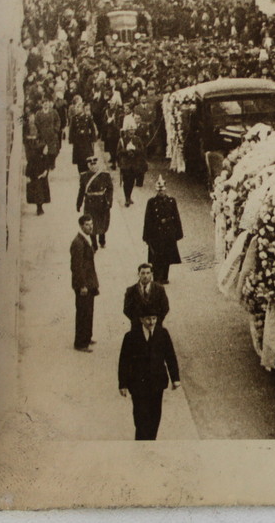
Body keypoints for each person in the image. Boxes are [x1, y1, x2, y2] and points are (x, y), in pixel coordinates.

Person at [117, 307, 181, 441]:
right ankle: (141, 445)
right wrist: (122, 384)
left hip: (157, 384)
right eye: (148, 319)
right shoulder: (131, 336)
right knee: (140, 418)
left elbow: (170, 356)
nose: (151, 322)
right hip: (137, 384)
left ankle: (151, 442)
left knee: (155, 417)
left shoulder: (163, 333)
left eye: (154, 318)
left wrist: (175, 378)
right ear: (141, 319)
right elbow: (124, 361)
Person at [143, 175, 184, 284]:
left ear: (165, 190)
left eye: (163, 190)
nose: (161, 192)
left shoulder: (171, 201)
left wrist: (178, 233)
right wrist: (146, 236)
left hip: (168, 233)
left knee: (167, 256)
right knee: (156, 256)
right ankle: (157, 277)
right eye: (159, 191)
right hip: (156, 233)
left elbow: (176, 216)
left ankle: (165, 276)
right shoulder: (151, 202)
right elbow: (147, 219)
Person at [70, 215, 99, 353]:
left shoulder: (85, 238)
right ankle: (80, 343)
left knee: (88, 311)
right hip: (84, 285)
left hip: (89, 283)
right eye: (88, 225)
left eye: (91, 224)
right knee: (83, 312)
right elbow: (77, 267)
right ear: (81, 226)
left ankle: (87, 337)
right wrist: (82, 285)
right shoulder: (78, 243)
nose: (91, 227)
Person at [76, 156, 113, 250]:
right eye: (91, 165)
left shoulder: (105, 175)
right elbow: (81, 191)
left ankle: (102, 239)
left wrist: (109, 201)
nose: (93, 167)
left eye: (95, 164)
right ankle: (94, 244)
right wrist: (78, 204)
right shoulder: (84, 176)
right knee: (90, 223)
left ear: (98, 164)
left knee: (102, 222)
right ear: (88, 166)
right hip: (90, 203)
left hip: (102, 202)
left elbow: (110, 189)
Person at [124, 263, 170, 330]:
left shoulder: (159, 289)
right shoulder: (131, 290)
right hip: (137, 327)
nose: (145, 276)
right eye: (143, 273)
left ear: (151, 274)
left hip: (155, 326)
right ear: (138, 274)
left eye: (148, 273)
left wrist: (156, 321)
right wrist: (137, 321)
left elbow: (165, 307)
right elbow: (126, 309)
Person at [118, 127, 147, 207]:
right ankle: (126, 198)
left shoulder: (138, 139)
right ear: (127, 131)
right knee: (126, 182)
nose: (132, 132)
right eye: (130, 130)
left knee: (131, 182)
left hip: (134, 165)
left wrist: (135, 149)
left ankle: (129, 196)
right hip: (125, 165)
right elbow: (118, 152)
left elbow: (142, 150)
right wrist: (126, 150)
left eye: (133, 130)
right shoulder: (122, 140)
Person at [69, 102, 97, 174]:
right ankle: (81, 174)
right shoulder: (74, 118)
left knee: (87, 159)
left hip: (86, 142)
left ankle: (87, 174)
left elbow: (93, 129)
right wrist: (72, 140)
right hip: (78, 143)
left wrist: (93, 139)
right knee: (79, 160)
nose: (77, 109)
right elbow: (71, 130)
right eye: (76, 107)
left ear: (82, 108)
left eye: (78, 107)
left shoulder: (88, 118)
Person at [34, 98, 61, 169]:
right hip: (43, 135)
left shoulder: (53, 112)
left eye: (47, 103)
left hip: (52, 135)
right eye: (44, 103)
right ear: (42, 105)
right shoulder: (38, 113)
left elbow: (58, 121)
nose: (45, 104)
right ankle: (45, 165)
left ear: (49, 104)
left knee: (53, 151)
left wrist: (56, 129)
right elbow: (36, 123)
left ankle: (52, 164)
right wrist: (39, 131)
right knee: (43, 151)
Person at [25, 140, 50, 216]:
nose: (47, 150)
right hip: (35, 178)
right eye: (45, 149)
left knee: (42, 193)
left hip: (43, 178)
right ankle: (39, 208)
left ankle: (40, 207)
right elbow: (29, 168)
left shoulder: (45, 157)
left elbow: (47, 166)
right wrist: (35, 175)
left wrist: (45, 171)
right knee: (38, 194)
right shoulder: (33, 158)